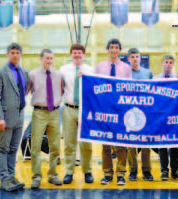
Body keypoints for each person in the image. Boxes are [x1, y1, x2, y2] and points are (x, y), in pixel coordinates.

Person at [0, 43, 28, 192]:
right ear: (7, 54)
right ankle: (4, 179)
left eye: (18, 52)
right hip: (5, 117)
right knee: (3, 148)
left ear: (21, 55)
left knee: (13, 148)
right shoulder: (0, 72)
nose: (15, 55)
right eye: (12, 52)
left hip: (19, 115)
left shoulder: (23, 72)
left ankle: (11, 176)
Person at [96, 38, 132, 185]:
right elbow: (94, 87)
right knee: (105, 145)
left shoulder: (126, 68)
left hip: (121, 109)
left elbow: (130, 89)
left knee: (121, 143)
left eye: (117, 47)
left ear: (120, 50)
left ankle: (121, 173)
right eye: (111, 47)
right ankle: (107, 173)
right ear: (107, 49)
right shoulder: (99, 67)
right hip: (105, 109)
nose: (114, 50)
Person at [27, 49, 64, 189]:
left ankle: (53, 175)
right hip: (39, 113)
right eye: (47, 58)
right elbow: (26, 91)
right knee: (35, 146)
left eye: (51, 58)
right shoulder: (32, 75)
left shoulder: (59, 75)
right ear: (41, 58)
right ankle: (36, 177)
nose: (49, 61)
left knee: (55, 146)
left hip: (54, 113)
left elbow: (63, 91)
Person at [60, 44, 95, 184]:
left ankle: (87, 171)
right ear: (71, 54)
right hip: (68, 108)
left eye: (80, 53)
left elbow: (95, 90)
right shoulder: (63, 70)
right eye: (74, 52)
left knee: (86, 143)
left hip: (85, 110)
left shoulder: (90, 71)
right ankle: (69, 171)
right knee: (69, 142)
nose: (77, 55)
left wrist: (86, 79)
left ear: (84, 54)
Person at [155, 55, 178, 181]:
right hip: (161, 116)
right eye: (166, 61)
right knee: (162, 145)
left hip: (174, 116)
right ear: (162, 63)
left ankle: (175, 170)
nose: (168, 64)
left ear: (173, 64)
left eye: (170, 62)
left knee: (174, 144)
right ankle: (164, 171)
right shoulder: (155, 79)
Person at [127, 48, 153, 181]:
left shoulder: (148, 73)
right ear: (128, 59)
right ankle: (133, 171)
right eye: (132, 56)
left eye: (137, 56)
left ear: (140, 58)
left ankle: (147, 171)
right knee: (131, 145)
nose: (135, 58)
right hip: (130, 113)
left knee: (145, 144)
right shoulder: (124, 74)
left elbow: (154, 91)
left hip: (145, 112)